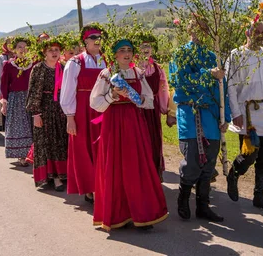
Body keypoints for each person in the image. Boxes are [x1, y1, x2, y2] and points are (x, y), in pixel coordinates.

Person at [90, 39, 168, 231]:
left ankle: (142, 214)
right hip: (113, 125)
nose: (126, 53)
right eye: (122, 50)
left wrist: (137, 98)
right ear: (115, 54)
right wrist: (112, 95)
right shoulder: (106, 74)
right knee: (115, 167)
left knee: (137, 166)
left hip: (134, 124)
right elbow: (95, 103)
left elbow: (149, 100)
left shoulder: (138, 73)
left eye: (129, 50)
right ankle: (118, 214)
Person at [169, 18, 231, 222]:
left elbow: (222, 90)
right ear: (189, 30)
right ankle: (183, 198)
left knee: (209, 163)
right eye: (196, 28)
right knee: (193, 162)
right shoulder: (180, 54)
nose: (200, 32)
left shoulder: (214, 56)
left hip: (212, 116)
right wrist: (207, 75)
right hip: (190, 114)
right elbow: (180, 82)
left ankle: (203, 206)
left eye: (204, 29)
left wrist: (226, 116)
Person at [225, 21, 263, 212]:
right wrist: (235, 113)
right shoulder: (236, 56)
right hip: (248, 114)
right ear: (247, 32)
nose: (259, 35)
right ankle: (233, 174)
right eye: (256, 31)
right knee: (249, 154)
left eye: (262, 32)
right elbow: (231, 87)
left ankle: (259, 195)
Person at [60, 24, 107, 203]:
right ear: (85, 41)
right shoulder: (75, 62)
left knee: (102, 147)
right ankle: (90, 187)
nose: (97, 41)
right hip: (82, 111)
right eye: (93, 37)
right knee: (84, 148)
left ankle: (103, 185)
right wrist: (70, 118)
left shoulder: (107, 60)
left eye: (99, 37)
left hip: (103, 109)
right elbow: (67, 92)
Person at [25, 38, 68, 191]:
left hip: (61, 110)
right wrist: (36, 114)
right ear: (44, 53)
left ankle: (62, 174)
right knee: (47, 143)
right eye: (51, 50)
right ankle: (54, 177)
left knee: (61, 142)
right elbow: (33, 92)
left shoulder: (63, 68)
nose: (55, 53)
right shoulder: (38, 69)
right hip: (44, 110)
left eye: (57, 50)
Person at [138, 34, 169, 180]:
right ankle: (141, 172)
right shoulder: (133, 67)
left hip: (153, 109)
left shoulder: (158, 68)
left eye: (148, 46)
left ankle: (155, 172)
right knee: (140, 139)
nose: (146, 49)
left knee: (154, 138)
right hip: (138, 109)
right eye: (143, 46)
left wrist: (164, 108)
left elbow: (163, 89)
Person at [0, 37, 34, 166]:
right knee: (19, 127)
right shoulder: (9, 64)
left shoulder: (33, 63)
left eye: (25, 46)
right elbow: (4, 84)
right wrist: (4, 102)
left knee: (31, 127)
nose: (23, 49)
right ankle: (21, 155)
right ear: (14, 49)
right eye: (19, 46)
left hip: (30, 97)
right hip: (16, 99)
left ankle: (31, 154)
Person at [0, 37, 14, 129]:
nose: (11, 46)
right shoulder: (0, 59)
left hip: (15, 90)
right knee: (6, 112)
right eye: (9, 43)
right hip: (4, 89)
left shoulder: (19, 57)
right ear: (5, 44)